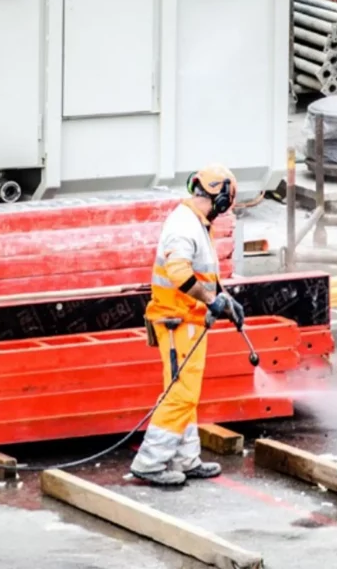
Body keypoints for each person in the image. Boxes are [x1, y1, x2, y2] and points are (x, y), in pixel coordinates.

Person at [129, 164, 246, 487]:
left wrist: (224, 298)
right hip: (176, 321)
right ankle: (150, 463)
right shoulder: (184, 225)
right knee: (179, 395)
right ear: (221, 198)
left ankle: (185, 458)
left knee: (187, 394)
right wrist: (212, 301)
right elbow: (180, 274)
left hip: (188, 320)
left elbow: (201, 272)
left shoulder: (195, 222)